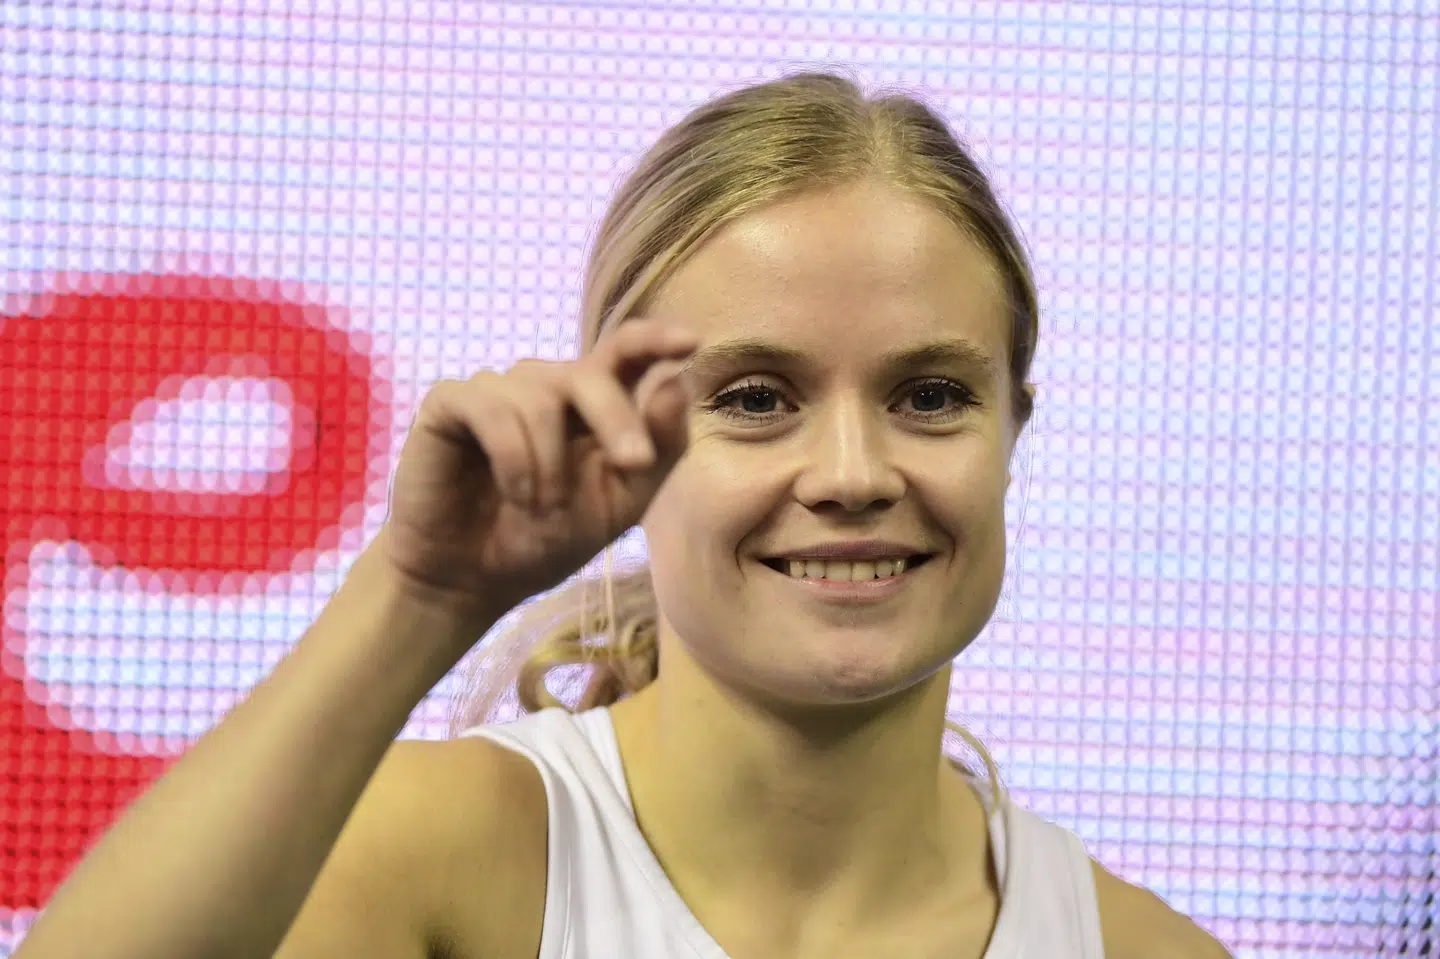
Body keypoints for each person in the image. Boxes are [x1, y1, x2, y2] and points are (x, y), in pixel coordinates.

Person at [15, 71, 1234, 959]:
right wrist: (416, 598)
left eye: (931, 394)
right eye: (757, 397)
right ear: (629, 436)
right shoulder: (448, 855)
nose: (855, 469)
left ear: (1012, 429)